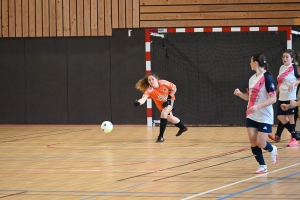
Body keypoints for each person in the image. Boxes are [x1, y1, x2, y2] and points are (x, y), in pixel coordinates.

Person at [234, 53, 278, 174]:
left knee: (261, 142)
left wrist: (258, 106)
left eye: (251, 61)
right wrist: (239, 94)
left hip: (264, 115)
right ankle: (262, 165)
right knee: (253, 141)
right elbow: (250, 98)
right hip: (251, 114)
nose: (249, 64)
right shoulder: (251, 79)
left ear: (256, 63)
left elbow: (273, 99)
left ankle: (272, 149)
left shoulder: (267, 78)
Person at [134, 73, 187, 142]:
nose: (151, 81)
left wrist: (169, 98)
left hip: (170, 100)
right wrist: (139, 102)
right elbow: (144, 98)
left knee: (164, 114)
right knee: (170, 118)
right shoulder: (149, 90)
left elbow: (174, 88)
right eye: (149, 80)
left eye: (152, 79)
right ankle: (183, 127)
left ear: (157, 79)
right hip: (161, 105)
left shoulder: (164, 83)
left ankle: (161, 136)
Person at [268, 49, 300, 147]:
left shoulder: (295, 67)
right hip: (282, 96)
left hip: (291, 96)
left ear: (292, 58)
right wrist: (275, 93)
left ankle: (293, 139)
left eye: (287, 57)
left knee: (291, 118)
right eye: (283, 57)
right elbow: (279, 83)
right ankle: (295, 134)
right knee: (280, 117)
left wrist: (294, 83)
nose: (284, 58)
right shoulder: (281, 68)